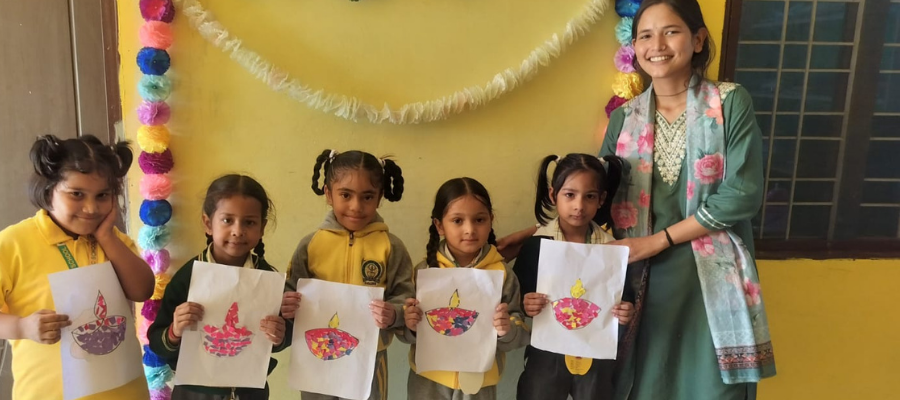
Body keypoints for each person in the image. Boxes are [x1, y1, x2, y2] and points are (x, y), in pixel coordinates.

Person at [499, 0, 777, 398]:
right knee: (643, 385)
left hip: (708, 281)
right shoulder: (623, 118)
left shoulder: (729, 103)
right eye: (645, 35)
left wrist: (656, 241)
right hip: (636, 281)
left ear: (698, 39)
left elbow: (742, 196)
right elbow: (599, 199)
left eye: (671, 31)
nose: (657, 45)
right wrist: (535, 233)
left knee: (710, 388)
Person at [0, 134, 153, 400]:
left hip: (125, 392)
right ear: (49, 191)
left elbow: (142, 290)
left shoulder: (114, 241)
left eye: (103, 195)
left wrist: (106, 237)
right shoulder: (13, 244)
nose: (91, 208)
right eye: (76, 194)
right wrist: (22, 327)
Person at [281, 149, 414, 400]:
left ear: (380, 197)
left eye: (367, 196)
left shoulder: (391, 247)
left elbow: (406, 297)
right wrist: (287, 305)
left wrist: (394, 313)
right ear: (328, 194)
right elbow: (290, 291)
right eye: (345, 195)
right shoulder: (310, 245)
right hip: (316, 359)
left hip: (369, 359)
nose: (356, 206)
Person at [148, 174, 290, 400]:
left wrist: (280, 334)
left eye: (249, 222)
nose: (238, 230)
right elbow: (157, 342)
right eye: (227, 220)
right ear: (208, 223)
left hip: (249, 391)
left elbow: (278, 340)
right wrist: (175, 331)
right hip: (194, 392)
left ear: (262, 228)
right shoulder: (188, 277)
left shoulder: (267, 280)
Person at [513, 154, 634, 400]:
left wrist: (626, 310)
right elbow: (517, 296)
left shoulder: (613, 250)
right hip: (546, 352)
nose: (579, 205)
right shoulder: (536, 246)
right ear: (552, 195)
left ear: (601, 199)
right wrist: (527, 304)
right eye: (570, 195)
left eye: (589, 196)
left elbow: (624, 294)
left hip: (595, 353)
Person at [402, 177, 529, 400]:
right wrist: (411, 325)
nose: (470, 229)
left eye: (479, 219)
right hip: (429, 380)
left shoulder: (502, 274)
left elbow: (518, 331)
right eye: (458, 221)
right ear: (439, 225)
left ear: (491, 220)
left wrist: (506, 329)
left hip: (479, 381)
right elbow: (405, 333)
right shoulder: (423, 272)